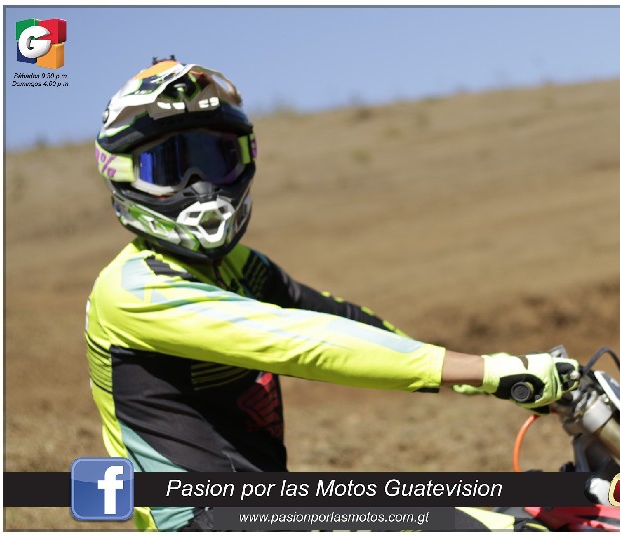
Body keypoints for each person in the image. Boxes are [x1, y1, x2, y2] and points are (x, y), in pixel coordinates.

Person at [86, 59, 579, 531]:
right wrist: (484, 370)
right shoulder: (133, 289)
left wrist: (486, 378)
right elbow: (304, 341)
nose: (201, 188)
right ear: (123, 176)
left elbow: (344, 321)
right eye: (170, 167)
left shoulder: (237, 267)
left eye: (216, 160)